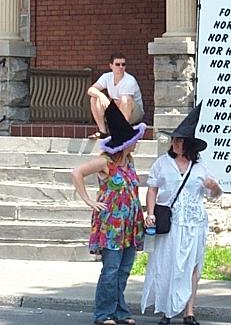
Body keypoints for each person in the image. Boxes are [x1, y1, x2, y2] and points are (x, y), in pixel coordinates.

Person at [141, 103, 222, 325]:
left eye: (179, 140)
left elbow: (214, 193)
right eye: (174, 140)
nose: (175, 143)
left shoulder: (199, 166)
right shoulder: (162, 163)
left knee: (192, 266)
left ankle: (189, 311)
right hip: (172, 222)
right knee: (169, 264)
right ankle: (167, 311)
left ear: (188, 144)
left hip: (195, 222)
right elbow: (152, 188)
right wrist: (150, 212)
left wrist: (213, 186)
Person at [72, 101, 147, 325]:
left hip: (131, 223)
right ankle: (103, 314)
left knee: (124, 270)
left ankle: (120, 311)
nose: (136, 144)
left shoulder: (130, 163)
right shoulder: (105, 162)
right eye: (133, 141)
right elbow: (77, 172)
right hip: (112, 224)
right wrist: (88, 200)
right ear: (125, 144)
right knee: (111, 269)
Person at [88, 52, 145, 139]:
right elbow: (91, 90)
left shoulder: (129, 80)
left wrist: (109, 103)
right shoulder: (106, 77)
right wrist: (101, 95)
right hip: (117, 111)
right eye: (117, 64)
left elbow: (123, 103)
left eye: (123, 64)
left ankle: (122, 131)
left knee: (125, 99)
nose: (121, 67)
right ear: (111, 66)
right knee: (94, 98)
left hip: (134, 113)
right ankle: (102, 131)